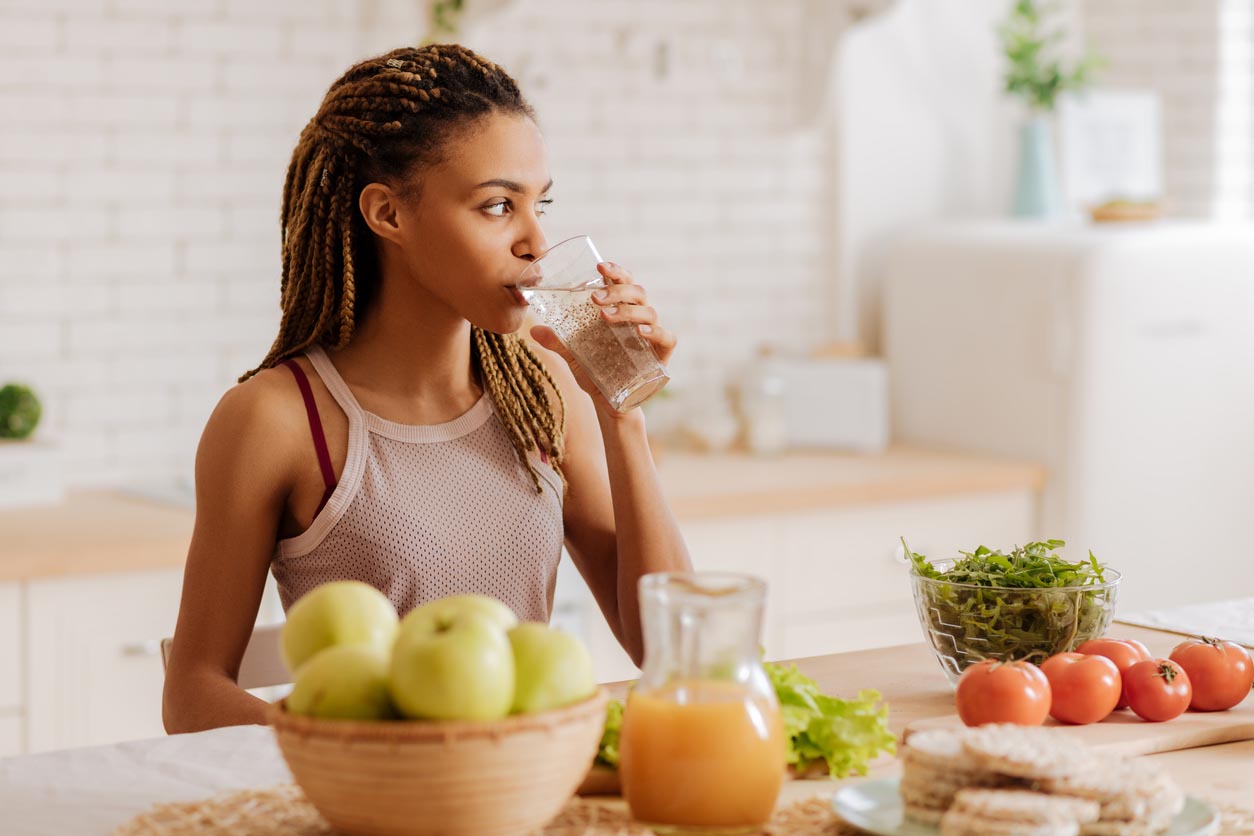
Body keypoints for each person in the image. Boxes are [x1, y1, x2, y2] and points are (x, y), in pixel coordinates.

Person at [162, 44, 691, 734]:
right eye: (499, 206)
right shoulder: (276, 419)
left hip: (520, 795)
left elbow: (674, 654)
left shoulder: (545, 389)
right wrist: (355, 754)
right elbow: (194, 692)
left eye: (542, 203)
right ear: (388, 214)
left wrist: (622, 410)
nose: (536, 240)